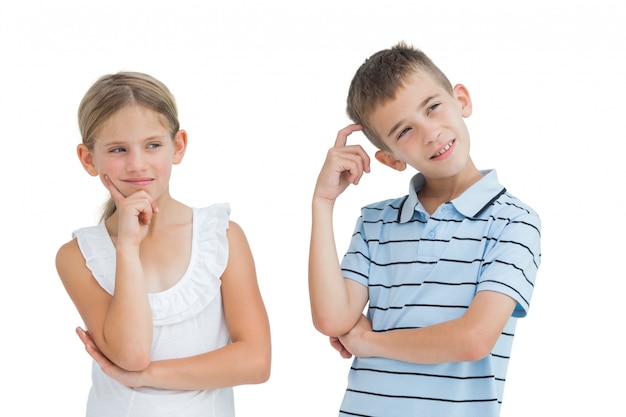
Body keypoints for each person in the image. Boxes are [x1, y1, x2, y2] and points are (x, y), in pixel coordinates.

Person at [309, 42, 541, 416]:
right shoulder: (375, 223)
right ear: (390, 158)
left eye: (433, 107)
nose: (431, 133)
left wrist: (370, 342)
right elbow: (332, 320)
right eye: (404, 131)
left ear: (461, 100)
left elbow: (473, 339)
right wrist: (323, 203)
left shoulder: (514, 221)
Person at [56, 72, 271, 417]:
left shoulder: (221, 236)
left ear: (179, 146)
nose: (137, 163)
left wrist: (146, 377)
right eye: (117, 149)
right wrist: (127, 248)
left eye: (152, 145)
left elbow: (256, 361)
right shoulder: (78, 256)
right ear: (88, 159)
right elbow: (132, 353)